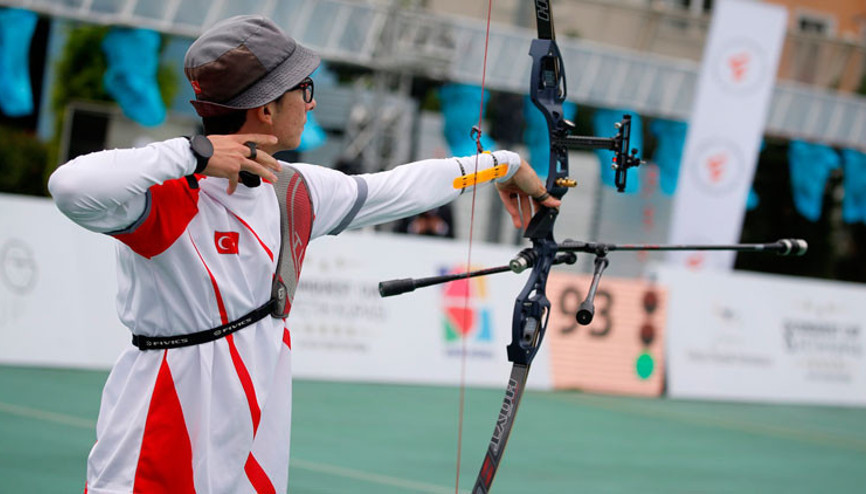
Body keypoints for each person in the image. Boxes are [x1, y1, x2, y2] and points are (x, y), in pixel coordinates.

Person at [48, 15, 559, 494]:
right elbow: (70, 185)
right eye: (303, 90)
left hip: (251, 434)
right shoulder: (168, 191)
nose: (311, 103)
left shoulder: (294, 191)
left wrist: (506, 164)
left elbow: (402, 187)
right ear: (266, 108)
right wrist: (195, 153)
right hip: (159, 429)